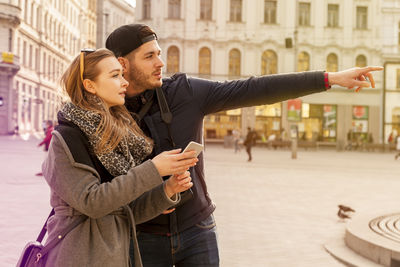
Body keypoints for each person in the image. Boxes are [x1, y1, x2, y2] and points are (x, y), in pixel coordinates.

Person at [105, 23, 383, 266]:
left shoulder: (185, 92)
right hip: (142, 237)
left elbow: (255, 88)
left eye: (160, 53)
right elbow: (102, 191)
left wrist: (329, 79)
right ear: (123, 64)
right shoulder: (104, 114)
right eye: (150, 56)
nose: (161, 63)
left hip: (197, 229)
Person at [40, 48, 199, 267]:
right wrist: (153, 169)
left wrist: (167, 190)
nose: (124, 82)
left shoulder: (116, 136)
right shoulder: (67, 136)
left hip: (115, 255)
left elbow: (123, 210)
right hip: (78, 255)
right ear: (90, 85)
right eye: (115, 75)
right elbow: (92, 202)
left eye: (122, 75)